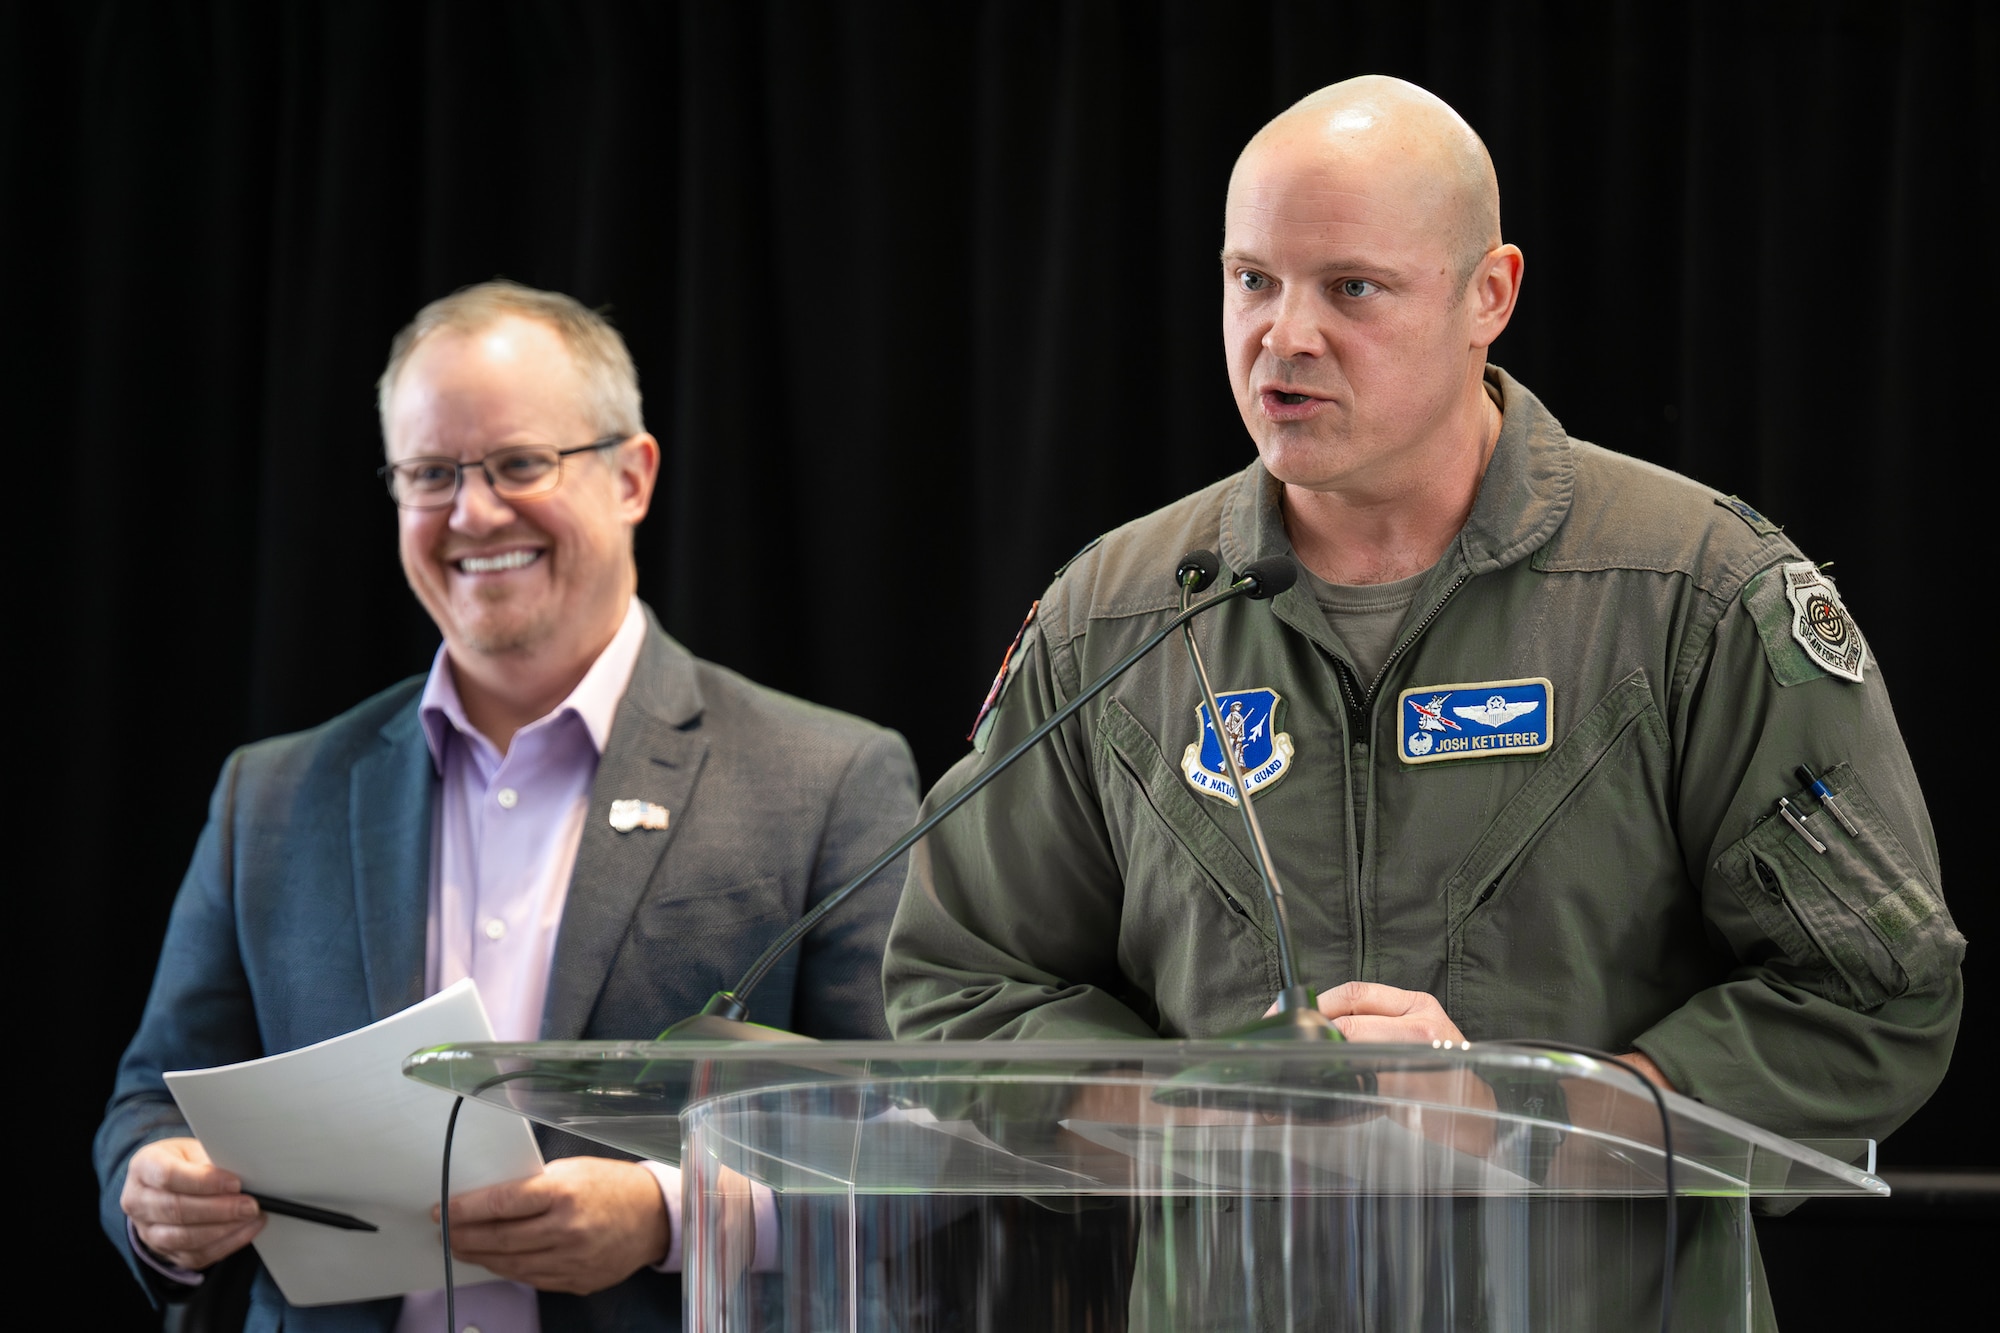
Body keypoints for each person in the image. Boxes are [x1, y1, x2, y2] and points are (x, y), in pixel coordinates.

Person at [883, 76, 1962, 1326]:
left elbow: (1874, 995)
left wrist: (1534, 1115)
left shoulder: (1693, 593)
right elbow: (961, 986)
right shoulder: (1116, 614)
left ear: (1486, 296)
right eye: (1250, 280)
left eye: (1349, 287)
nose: (1283, 337)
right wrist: (1180, 1111)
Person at [97, 281, 920, 1332]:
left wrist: (670, 1215)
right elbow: (150, 1103)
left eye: (520, 464)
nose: (473, 512)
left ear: (631, 475)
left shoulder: (826, 778)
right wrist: (157, 1187)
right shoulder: (273, 793)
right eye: (431, 474)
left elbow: (915, 1144)